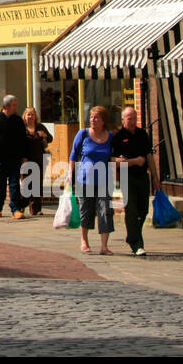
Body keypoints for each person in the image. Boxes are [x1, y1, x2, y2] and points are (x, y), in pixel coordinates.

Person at [112, 105, 159, 256]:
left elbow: (149, 156)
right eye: (129, 118)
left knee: (143, 210)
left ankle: (132, 236)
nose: (132, 121)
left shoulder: (142, 134)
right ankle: (137, 244)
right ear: (123, 119)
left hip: (142, 176)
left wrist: (155, 177)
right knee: (131, 210)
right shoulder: (118, 136)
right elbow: (113, 160)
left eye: (134, 118)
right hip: (127, 177)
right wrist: (133, 161)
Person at [70, 105, 118, 255]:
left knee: (105, 211)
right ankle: (84, 241)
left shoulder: (110, 137)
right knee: (86, 211)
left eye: (96, 117)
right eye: (91, 117)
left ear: (103, 120)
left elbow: (112, 157)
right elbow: (73, 155)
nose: (93, 120)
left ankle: (104, 246)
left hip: (104, 181)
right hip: (84, 180)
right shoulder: (83, 133)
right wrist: (69, 174)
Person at [0, 95, 26, 219]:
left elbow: (22, 140)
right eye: (14, 105)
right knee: (0, 184)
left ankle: (15, 209)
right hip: (0, 159)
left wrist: (24, 156)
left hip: (14, 158)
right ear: (7, 106)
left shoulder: (18, 120)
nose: (16, 107)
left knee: (15, 184)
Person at [23, 107, 53, 215]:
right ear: (25, 116)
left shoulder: (40, 127)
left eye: (32, 114)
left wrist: (44, 135)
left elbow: (50, 138)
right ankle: (21, 206)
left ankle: (37, 209)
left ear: (36, 116)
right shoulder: (22, 128)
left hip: (39, 159)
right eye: (28, 114)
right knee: (27, 184)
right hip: (25, 160)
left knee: (37, 184)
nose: (30, 117)